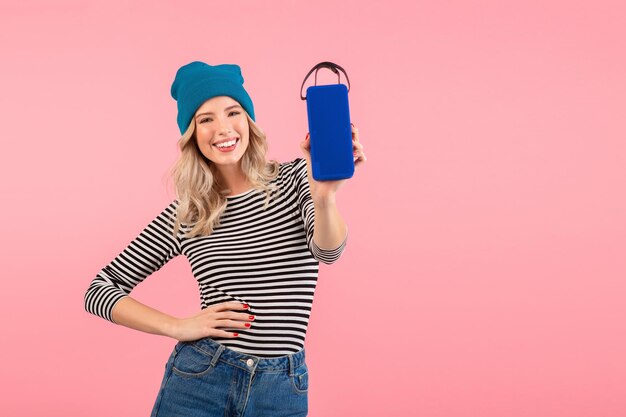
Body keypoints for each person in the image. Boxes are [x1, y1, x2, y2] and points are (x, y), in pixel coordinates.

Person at [84, 61, 367, 417]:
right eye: (206, 119)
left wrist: (325, 196)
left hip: (282, 388)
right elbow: (99, 289)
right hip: (201, 379)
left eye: (233, 112)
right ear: (192, 133)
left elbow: (328, 252)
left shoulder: (297, 178)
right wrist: (178, 325)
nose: (223, 128)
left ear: (248, 120)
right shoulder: (188, 214)